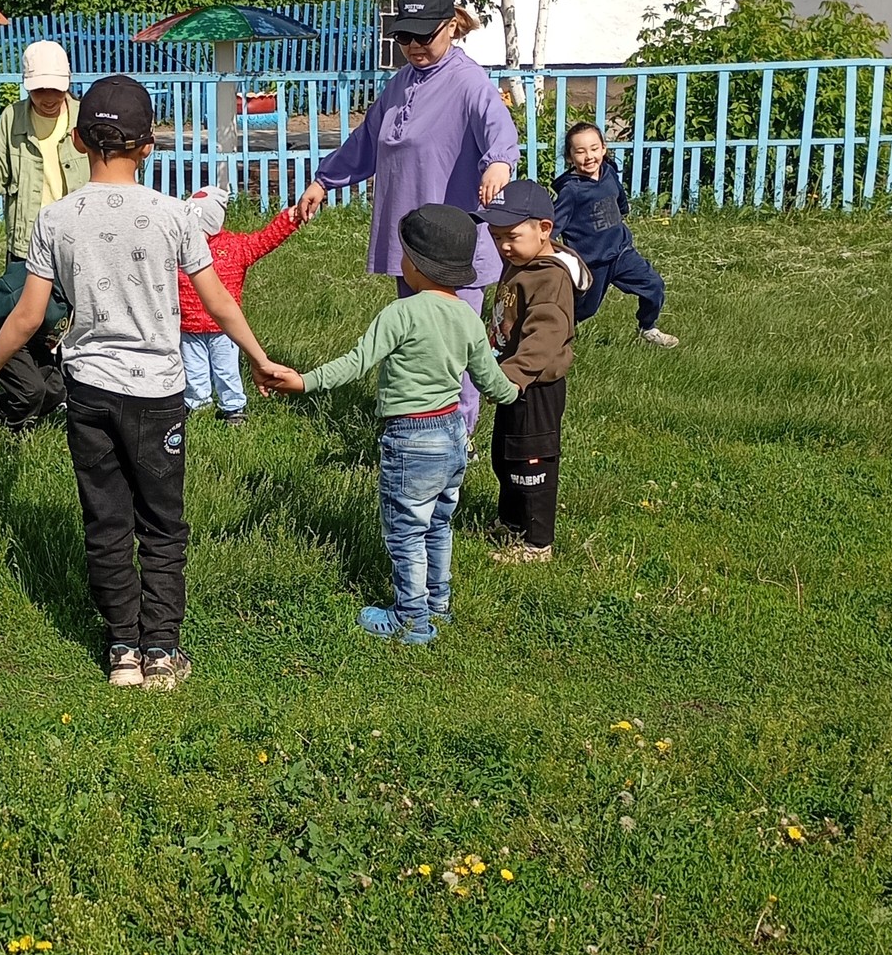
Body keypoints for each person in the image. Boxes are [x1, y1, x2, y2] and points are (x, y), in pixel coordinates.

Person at [0, 75, 275, 691]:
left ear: (77, 140)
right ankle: (162, 651)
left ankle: (122, 648)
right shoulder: (175, 217)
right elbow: (218, 302)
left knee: (106, 520)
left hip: (89, 393)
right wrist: (257, 358)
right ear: (149, 146)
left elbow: (26, 316)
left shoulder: (54, 219)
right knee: (163, 524)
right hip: (159, 395)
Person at [266, 206, 518, 644]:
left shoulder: (401, 313)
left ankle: (411, 620)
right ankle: (438, 604)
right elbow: (490, 381)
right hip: (454, 435)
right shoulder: (467, 316)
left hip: (412, 439)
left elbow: (356, 363)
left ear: (417, 264)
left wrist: (304, 381)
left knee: (406, 533)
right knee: (439, 523)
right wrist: (516, 394)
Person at [297, 0, 519, 433]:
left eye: (424, 36)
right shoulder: (400, 83)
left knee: (456, 344)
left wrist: (499, 162)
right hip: (412, 239)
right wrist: (324, 180)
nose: (414, 46)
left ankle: (460, 432)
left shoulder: (468, 81)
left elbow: (498, 126)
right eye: (404, 37)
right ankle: (414, 420)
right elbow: (366, 142)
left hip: (453, 244)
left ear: (451, 27)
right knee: (415, 339)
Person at [0, 40, 91, 429]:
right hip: (28, 244)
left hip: (78, 243)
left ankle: (55, 391)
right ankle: (9, 386)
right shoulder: (13, 119)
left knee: (65, 321)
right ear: (28, 86)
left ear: (67, 84)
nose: (48, 97)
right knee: (22, 316)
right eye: (39, 89)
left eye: (55, 88)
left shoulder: (83, 118)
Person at [478, 180, 591, 564]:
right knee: (505, 456)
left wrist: (512, 375)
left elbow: (545, 335)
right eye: (496, 237)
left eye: (511, 236)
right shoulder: (521, 264)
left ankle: (537, 542)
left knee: (532, 463)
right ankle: (512, 522)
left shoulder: (550, 277)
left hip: (535, 384)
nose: (503, 246)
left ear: (544, 229)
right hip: (512, 380)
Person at [178, 185, 303, 423]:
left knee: (226, 369)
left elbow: (265, 239)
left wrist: (290, 219)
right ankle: (197, 405)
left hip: (224, 329)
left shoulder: (235, 248)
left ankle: (233, 406)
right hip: (188, 326)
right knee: (193, 371)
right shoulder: (179, 247)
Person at [553, 121, 679, 347]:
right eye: (580, 151)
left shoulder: (609, 172)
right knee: (585, 309)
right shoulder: (571, 190)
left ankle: (647, 328)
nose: (589, 156)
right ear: (570, 157)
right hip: (592, 263)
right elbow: (553, 226)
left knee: (653, 285)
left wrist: (621, 212)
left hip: (622, 253)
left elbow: (620, 201)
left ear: (603, 148)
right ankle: (551, 334)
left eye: (594, 148)